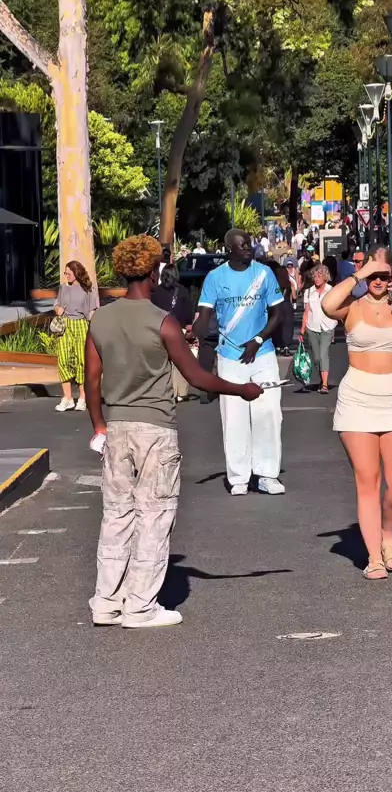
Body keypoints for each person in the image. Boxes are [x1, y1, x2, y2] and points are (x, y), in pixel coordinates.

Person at [85, 235, 263, 628]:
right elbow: (197, 377)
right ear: (153, 272)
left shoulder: (100, 320)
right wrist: (242, 389)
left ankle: (106, 601)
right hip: (155, 429)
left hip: (117, 427)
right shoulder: (163, 322)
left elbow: (91, 380)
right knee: (154, 515)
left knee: (116, 515)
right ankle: (140, 607)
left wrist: (99, 425)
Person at [322, 247, 392, 580]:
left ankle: (386, 533)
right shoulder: (352, 307)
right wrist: (361, 273)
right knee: (368, 482)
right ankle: (374, 557)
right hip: (357, 399)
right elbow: (327, 305)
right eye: (374, 275)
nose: (378, 281)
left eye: (384, 274)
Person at [193, 229, 285, 496]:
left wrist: (258, 339)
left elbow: (278, 313)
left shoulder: (263, 273)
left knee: (268, 414)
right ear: (229, 249)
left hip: (262, 353)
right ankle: (239, 477)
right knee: (234, 418)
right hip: (230, 357)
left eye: (249, 244)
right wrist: (193, 331)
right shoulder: (215, 277)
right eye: (242, 245)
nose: (248, 248)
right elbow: (204, 315)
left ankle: (267, 474)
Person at [54, 261, 99, 412]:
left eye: (69, 273)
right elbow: (57, 304)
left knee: (81, 361)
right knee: (63, 359)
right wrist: (58, 310)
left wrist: (93, 327)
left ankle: (82, 398)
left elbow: (92, 310)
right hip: (65, 325)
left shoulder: (88, 289)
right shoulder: (63, 288)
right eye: (65, 273)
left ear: (76, 272)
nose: (66, 275)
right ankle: (67, 398)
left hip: (81, 325)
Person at [152, 265, 194, 401]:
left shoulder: (156, 292)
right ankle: (181, 392)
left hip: (160, 329)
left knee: (165, 362)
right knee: (180, 361)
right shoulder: (182, 291)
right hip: (178, 329)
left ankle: (169, 390)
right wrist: (189, 326)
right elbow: (188, 312)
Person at [299, 263, 337, 393]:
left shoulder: (331, 291)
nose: (316, 279)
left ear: (325, 277)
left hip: (327, 326)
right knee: (316, 357)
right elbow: (306, 313)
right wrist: (302, 331)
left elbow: (336, 309)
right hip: (312, 327)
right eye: (315, 276)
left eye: (319, 276)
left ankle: (325, 385)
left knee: (323, 354)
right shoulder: (309, 292)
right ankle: (322, 378)